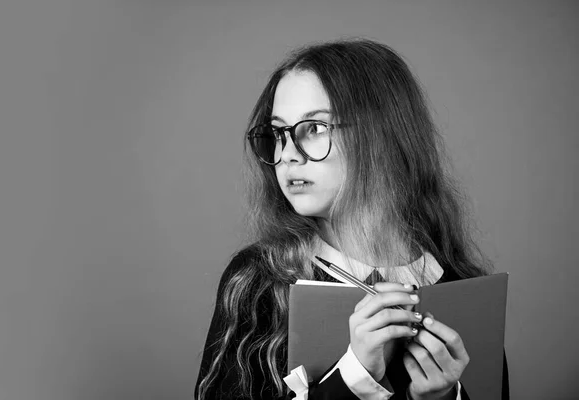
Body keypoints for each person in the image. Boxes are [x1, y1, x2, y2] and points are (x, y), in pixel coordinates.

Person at [194, 39, 509, 400]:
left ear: (381, 135)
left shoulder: (461, 289)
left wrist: (445, 398)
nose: (287, 155)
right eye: (279, 133)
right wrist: (353, 379)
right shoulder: (258, 280)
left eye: (314, 128)